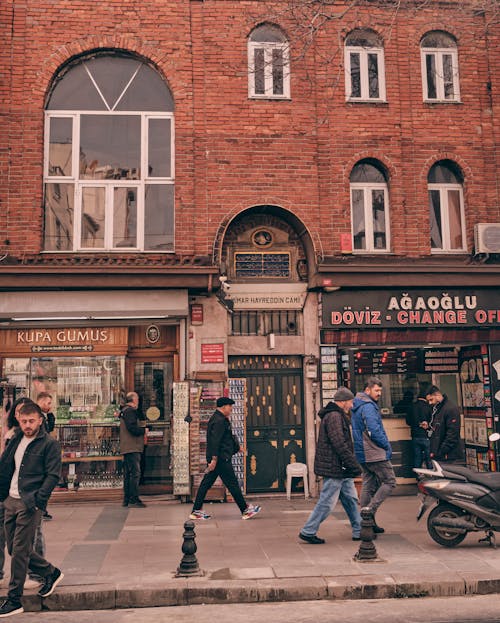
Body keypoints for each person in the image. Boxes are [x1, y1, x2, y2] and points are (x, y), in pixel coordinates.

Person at [0, 401, 63, 617]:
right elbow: (6, 466)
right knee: (14, 549)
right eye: (24, 421)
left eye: (31, 421)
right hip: (10, 500)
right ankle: (51, 572)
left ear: (39, 420)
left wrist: (39, 501)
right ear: (19, 420)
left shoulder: (49, 444)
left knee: (19, 551)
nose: (28, 425)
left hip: (30, 502)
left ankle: (14, 599)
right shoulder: (16, 439)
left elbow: (53, 475)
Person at [299, 387, 362, 544]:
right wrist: (353, 464)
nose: (352, 405)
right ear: (342, 402)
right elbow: (339, 443)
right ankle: (308, 531)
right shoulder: (334, 416)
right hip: (336, 467)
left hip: (341, 467)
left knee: (351, 499)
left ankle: (359, 530)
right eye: (350, 402)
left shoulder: (337, 415)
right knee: (327, 502)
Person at [190, 397, 261, 521]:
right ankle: (245, 510)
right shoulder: (219, 421)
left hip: (219, 458)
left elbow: (224, 439)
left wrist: (236, 448)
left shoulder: (218, 419)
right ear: (223, 406)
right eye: (230, 406)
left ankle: (196, 511)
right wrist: (214, 459)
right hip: (221, 459)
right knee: (232, 484)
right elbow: (215, 441)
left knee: (206, 484)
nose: (231, 409)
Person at [352, 377, 396, 534]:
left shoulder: (357, 405)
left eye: (380, 391)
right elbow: (374, 431)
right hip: (374, 452)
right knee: (390, 481)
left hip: (362, 452)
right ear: (367, 390)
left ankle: (367, 523)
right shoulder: (368, 406)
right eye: (376, 390)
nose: (379, 394)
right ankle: (369, 511)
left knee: (368, 485)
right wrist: (386, 445)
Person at [119, 391, 147, 508]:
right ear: (134, 400)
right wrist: (143, 431)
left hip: (128, 447)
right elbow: (132, 428)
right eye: (137, 400)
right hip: (132, 447)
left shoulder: (125, 411)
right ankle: (133, 498)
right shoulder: (129, 411)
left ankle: (127, 499)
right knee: (135, 473)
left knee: (128, 474)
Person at [425, 385, 463, 464]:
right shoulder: (439, 409)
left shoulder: (450, 409)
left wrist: (441, 452)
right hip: (441, 455)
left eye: (431, 399)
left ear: (437, 395)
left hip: (448, 456)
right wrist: (429, 428)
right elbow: (438, 429)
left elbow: (452, 434)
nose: (430, 402)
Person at [36, 393, 55, 521]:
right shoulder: (36, 416)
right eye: (48, 403)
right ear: (41, 402)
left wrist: (50, 415)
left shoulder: (44, 415)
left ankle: (42, 509)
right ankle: (40, 510)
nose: (49, 406)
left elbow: (50, 429)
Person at [406, 390, 433, 469]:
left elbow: (408, 421)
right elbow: (432, 421)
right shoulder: (429, 407)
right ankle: (431, 475)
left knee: (417, 457)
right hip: (426, 435)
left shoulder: (411, 406)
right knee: (429, 458)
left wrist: (417, 424)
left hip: (415, 435)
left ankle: (418, 476)